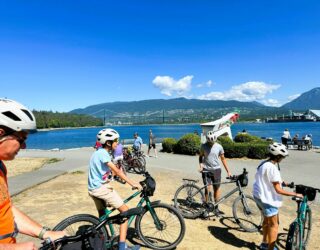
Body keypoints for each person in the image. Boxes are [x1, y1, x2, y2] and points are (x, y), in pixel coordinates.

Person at [0, 98, 65, 249]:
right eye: (21, 139)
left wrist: (44, 233)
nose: (24, 146)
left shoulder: (1, 167)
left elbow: (6, 210)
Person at [88, 128, 141, 250]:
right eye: (115, 141)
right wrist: (132, 183)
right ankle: (122, 247)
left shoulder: (97, 152)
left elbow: (110, 171)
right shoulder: (103, 153)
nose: (117, 143)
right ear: (108, 143)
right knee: (125, 212)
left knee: (103, 215)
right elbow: (116, 170)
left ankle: (103, 240)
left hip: (93, 189)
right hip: (100, 189)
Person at [253, 143, 303, 250]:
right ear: (278, 156)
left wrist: (283, 182)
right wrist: (295, 194)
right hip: (267, 200)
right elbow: (278, 190)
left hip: (258, 196)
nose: (283, 159)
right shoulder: (273, 168)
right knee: (274, 225)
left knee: (266, 221)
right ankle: (270, 248)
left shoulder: (264, 163)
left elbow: (269, 179)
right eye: (282, 157)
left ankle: (264, 243)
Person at [198, 131, 232, 215]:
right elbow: (200, 157)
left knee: (216, 188)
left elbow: (223, 158)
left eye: (212, 141)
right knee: (207, 189)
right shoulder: (203, 146)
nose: (211, 143)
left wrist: (228, 171)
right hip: (206, 170)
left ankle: (216, 207)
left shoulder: (219, 147)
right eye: (209, 141)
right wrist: (201, 165)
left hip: (216, 170)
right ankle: (206, 207)